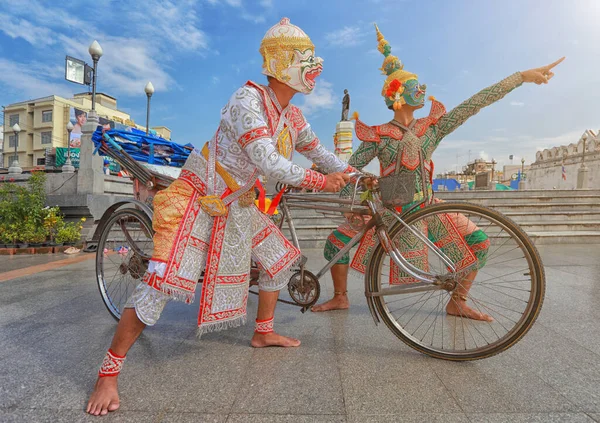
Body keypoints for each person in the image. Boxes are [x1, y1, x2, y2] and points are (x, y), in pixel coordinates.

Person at [86, 17, 355, 417]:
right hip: (200, 197)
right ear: (281, 63)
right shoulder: (246, 101)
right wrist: (321, 181)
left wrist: (352, 172)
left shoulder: (292, 117)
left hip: (238, 204)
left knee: (280, 260)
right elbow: (269, 160)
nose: (313, 69)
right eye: (306, 60)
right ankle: (108, 372)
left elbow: (321, 154)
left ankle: (263, 332)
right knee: (162, 280)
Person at [313, 24, 563, 319]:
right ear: (398, 95)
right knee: (335, 244)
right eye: (415, 87)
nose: (422, 90)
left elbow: (472, 105)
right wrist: (354, 208)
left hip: (429, 207)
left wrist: (520, 78)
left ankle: (457, 300)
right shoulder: (379, 135)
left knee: (479, 242)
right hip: (391, 212)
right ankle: (340, 296)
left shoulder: (431, 128)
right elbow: (349, 171)